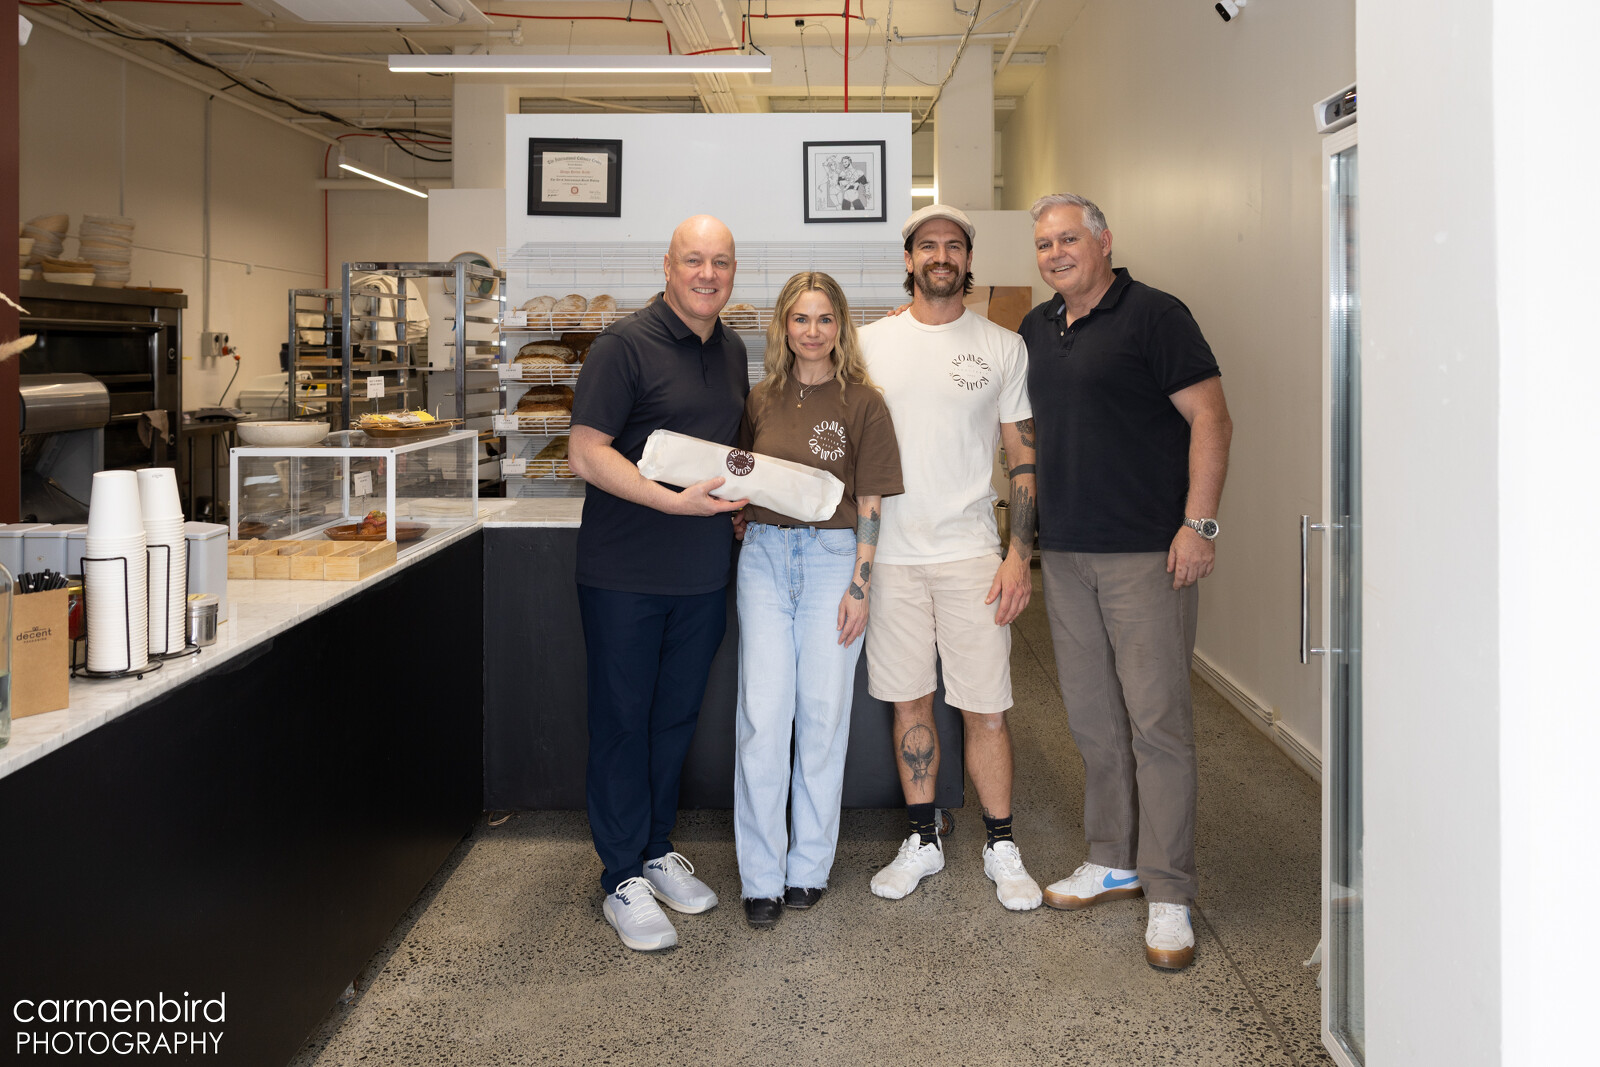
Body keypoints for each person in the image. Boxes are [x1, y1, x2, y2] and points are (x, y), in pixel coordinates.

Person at [1019, 193, 1233, 971]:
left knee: (1157, 723)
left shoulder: (1156, 316)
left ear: (1104, 241)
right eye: (1044, 243)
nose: (1055, 253)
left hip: (1148, 553)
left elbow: (1211, 417)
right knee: (1092, 717)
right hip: (1066, 553)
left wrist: (1199, 524)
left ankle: (1170, 889)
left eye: (1068, 238)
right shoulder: (1036, 328)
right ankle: (1112, 856)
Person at [567, 214, 749, 953]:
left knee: (674, 719)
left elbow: (728, 454)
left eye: (721, 262)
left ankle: (653, 849)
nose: (708, 274)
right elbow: (586, 452)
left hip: (702, 573)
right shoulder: (623, 345)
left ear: (733, 273)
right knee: (622, 720)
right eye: (694, 260)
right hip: (625, 574)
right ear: (668, 267)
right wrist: (668, 500)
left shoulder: (733, 349)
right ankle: (619, 877)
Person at [858, 204, 1043, 912]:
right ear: (909, 260)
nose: (942, 255)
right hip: (892, 557)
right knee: (910, 699)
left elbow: (1022, 459)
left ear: (968, 260)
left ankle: (1001, 843)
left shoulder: (1002, 346)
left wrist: (1019, 554)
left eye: (954, 246)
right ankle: (922, 838)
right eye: (928, 245)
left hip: (971, 554)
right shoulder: (866, 344)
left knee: (985, 707)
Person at [733, 272, 904, 928]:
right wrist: (739, 512)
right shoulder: (760, 398)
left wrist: (861, 584)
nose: (812, 331)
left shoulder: (865, 402)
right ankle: (761, 877)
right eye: (800, 318)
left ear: (841, 326)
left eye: (824, 318)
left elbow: (871, 502)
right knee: (762, 718)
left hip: (835, 562)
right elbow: (743, 476)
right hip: (764, 562)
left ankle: (807, 867)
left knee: (823, 718)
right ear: (784, 325)